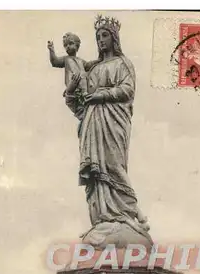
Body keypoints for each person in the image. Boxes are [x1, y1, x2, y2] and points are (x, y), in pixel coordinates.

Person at [64, 16, 149, 238]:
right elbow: (78, 104)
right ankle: (103, 217)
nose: (101, 40)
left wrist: (100, 95)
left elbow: (127, 90)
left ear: (114, 38)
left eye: (105, 35)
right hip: (92, 123)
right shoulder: (90, 70)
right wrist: (72, 90)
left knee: (114, 164)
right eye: (98, 37)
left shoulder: (123, 64)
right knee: (96, 171)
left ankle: (129, 213)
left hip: (114, 121)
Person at [47, 32, 88, 98]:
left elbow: (88, 65)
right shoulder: (66, 59)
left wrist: (99, 60)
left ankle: (84, 93)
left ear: (77, 46)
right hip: (72, 86)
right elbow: (55, 62)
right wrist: (51, 50)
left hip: (83, 88)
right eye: (65, 45)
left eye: (70, 43)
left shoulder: (80, 61)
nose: (68, 46)